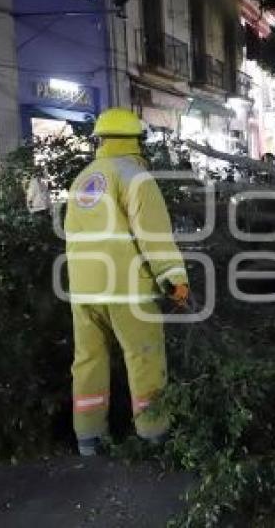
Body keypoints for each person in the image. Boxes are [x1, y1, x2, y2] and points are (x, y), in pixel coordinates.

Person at [64, 108, 190, 457]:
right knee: (144, 358)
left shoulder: (84, 177)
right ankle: (153, 434)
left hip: (83, 290)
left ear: (101, 140)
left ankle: (89, 437)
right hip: (126, 288)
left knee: (88, 360)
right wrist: (175, 280)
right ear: (136, 140)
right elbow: (154, 236)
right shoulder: (134, 176)